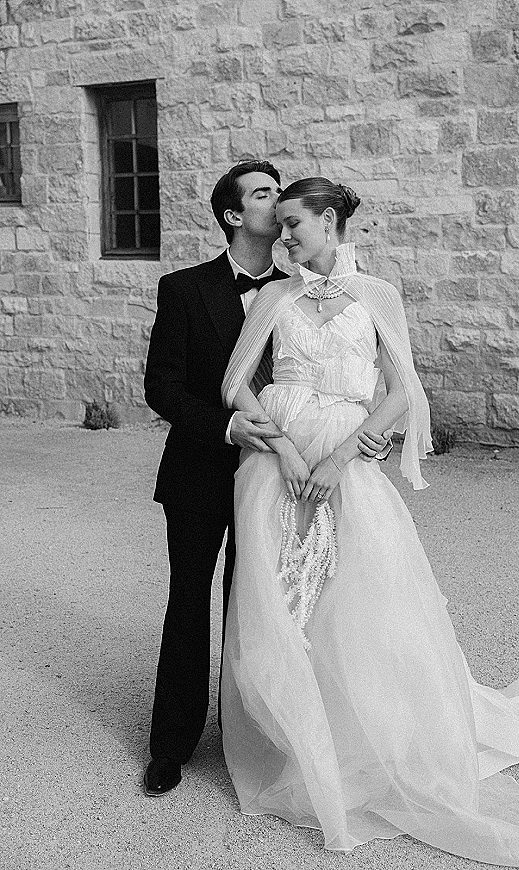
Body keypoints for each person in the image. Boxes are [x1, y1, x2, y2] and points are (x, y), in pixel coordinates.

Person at [220, 177, 519, 864]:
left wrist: (345, 455)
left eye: (294, 225)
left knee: (361, 598)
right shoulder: (274, 295)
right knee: (283, 601)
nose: (283, 238)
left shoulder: (378, 295)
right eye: (280, 225)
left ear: (329, 222)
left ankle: (367, 739)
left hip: (347, 464)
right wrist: (290, 450)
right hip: (279, 463)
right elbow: (235, 382)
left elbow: (404, 388)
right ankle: (298, 742)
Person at [142, 160, 394, 797]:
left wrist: (358, 433)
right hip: (202, 470)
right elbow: (163, 389)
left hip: (283, 479)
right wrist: (227, 429)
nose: (275, 205)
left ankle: (248, 738)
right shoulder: (182, 289)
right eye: (261, 197)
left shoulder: (303, 290)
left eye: (281, 199)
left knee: (264, 606)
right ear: (233, 215)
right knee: (189, 601)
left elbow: (355, 372)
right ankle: (170, 744)